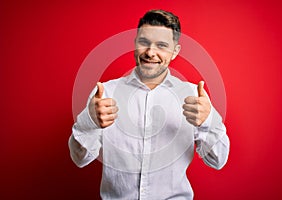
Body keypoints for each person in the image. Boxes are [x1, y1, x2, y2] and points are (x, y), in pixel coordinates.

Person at [68, 9, 230, 199]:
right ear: (135, 43)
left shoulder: (193, 96)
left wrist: (208, 121)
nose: (150, 52)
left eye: (161, 45)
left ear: (175, 52)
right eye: (144, 42)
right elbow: (79, 159)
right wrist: (89, 122)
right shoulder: (104, 94)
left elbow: (218, 160)